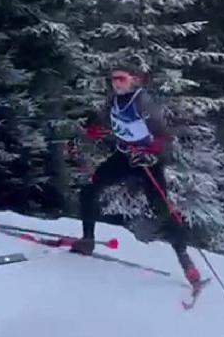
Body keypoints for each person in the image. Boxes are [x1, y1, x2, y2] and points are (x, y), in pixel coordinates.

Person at [74, 66, 202, 286]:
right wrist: (88, 133)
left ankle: (185, 261)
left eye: (121, 79)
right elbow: (107, 124)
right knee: (89, 190)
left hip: (148, 162)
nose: (116, 83)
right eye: (113, 79)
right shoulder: (113, 100)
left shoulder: (144, 103)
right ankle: (87, 240)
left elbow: (165, 138)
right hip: (125, 157)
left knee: (162, 209)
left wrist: (151, 154)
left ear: (134, 81)